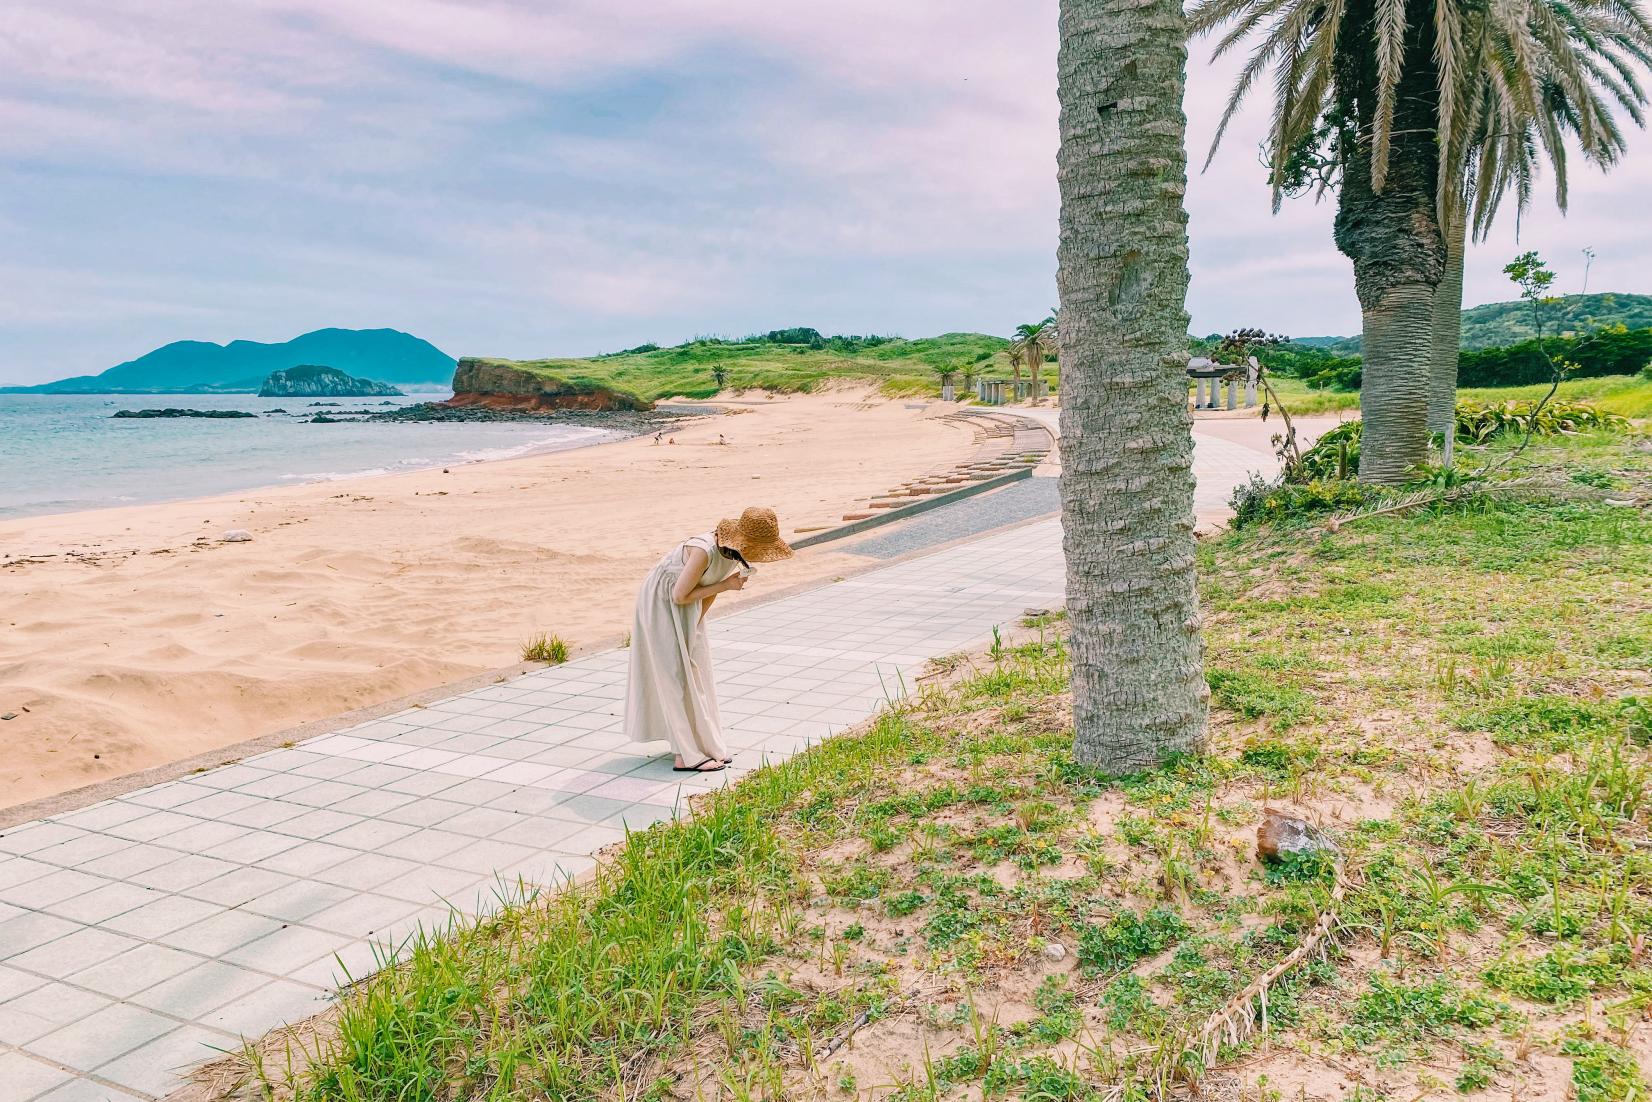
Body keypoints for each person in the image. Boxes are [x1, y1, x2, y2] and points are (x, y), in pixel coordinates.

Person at [623, 507, 793, 772]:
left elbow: (708, 590)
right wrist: (727, 586)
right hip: (661, 601)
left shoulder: (735, 555)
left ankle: (704, 744)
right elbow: (680, 594)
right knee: (674, 674)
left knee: (696, 668)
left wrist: (696, 624)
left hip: (689, 605)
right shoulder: (703, 550)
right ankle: (685, 755)